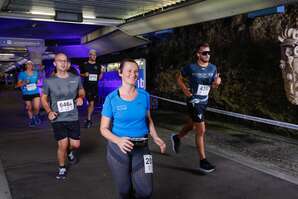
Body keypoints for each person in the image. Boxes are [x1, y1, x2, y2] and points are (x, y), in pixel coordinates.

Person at [100, 58, 166, 199]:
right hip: (119, 149)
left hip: (141, 148)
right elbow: (103, 128)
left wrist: (155, 137)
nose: (133, 74)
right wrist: (118, 141)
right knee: (124, 190)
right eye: (129, 71)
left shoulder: (144, 96)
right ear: (120, 73)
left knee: (146, 191)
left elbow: (148, 119)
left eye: (136, 71)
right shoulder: (111, 99)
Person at [171, 42, 221, 173]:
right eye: (204, 53)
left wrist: (217, 83)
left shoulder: (213, 68)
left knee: (192, 125)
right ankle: (203, 161)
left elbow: (213, 85)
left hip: (204, 101)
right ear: (198, 54)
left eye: (209, 52)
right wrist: (184, 90)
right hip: (193, 101)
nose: (207, 55)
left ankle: (177, 137)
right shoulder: (191, 68)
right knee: (201, 130)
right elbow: (179, 78)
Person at [41, 53, 85, 179]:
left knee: (76, 144)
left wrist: (81, 97)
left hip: (73, 117)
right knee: (62, 144)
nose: (63, 63)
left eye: (65, 61)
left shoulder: (75, 78)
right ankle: (62, 168)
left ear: (68, 63)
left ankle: (70, 151)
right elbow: (43, 98)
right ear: (55, 63)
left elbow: (81, 90)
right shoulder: (49, 81)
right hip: (58, 118)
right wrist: (49, 111)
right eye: (60, 61)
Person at [80, 49, 103, 128]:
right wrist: (84, 74)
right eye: (92, 55)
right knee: (82, 102)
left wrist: (102, 72)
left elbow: (99, 78)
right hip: (85, 86)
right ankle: (85, 116)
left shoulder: (98, 65)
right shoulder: (84, 64)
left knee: (91, 103)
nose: (94, 56)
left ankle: (89, 119)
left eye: (95, 55)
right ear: (89, 55)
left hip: (94, 87)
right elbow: (81, 74)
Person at [16, 60, 41, 127]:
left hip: (35, 92)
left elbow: (38, 81)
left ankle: (36, 116)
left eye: (31, 65)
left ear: (32, 66)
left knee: (37, 107)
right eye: (28, 64)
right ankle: (31, 119)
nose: (30, 66)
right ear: (26, 66)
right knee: (29, 108)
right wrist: (24, 82)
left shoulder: (36, 73)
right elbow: (18, 85)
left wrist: (38, 82)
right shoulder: (22, 74)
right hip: (26, 93)